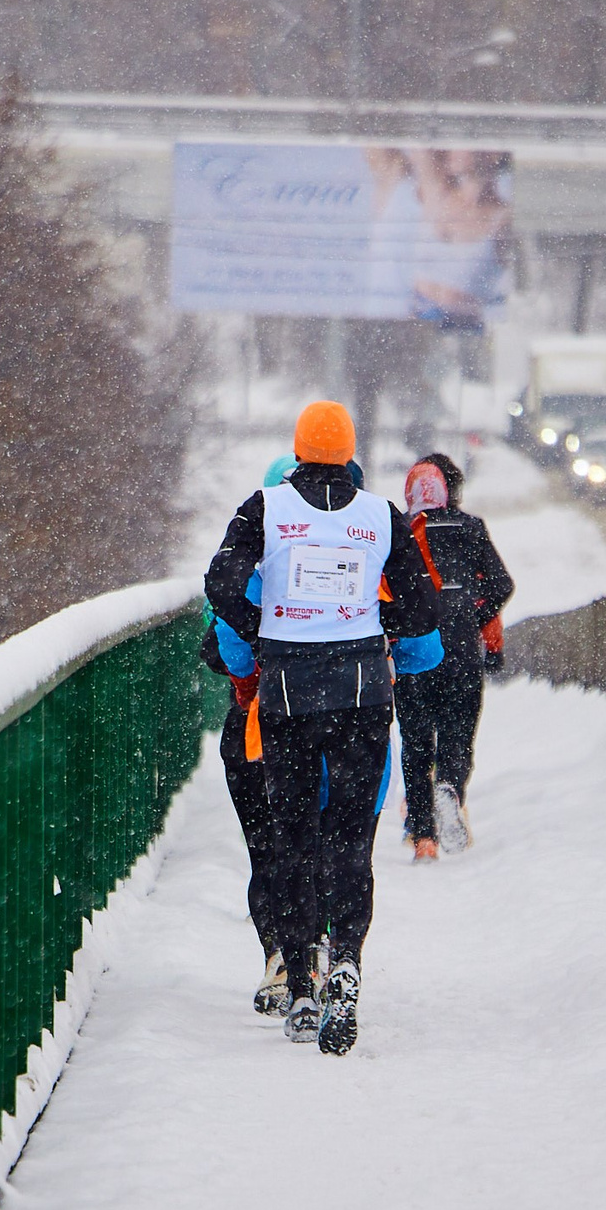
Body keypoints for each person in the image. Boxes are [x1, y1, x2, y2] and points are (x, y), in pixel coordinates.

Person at [205, 402, 442, 1053]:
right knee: (349, 837)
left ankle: (303, 983)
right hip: (362, 692)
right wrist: (375, 629)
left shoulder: (266, 508)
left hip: (286, 692)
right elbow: (422, 606)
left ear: (299, 448)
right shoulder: (380, 517)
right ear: (350, 451)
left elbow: (220, 583)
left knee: (292, 838)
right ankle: (347, 960)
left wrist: (264, 631)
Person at [202, 455, 299, 1017]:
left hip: (255, 727)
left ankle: (279, 957)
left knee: (267, 850)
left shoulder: (248, 570)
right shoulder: (347, 557)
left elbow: (222, 647)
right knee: (324, 842)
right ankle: (322, 947)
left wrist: (247, 680)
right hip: (331, 712)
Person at [394, 453, 515, 860]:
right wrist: (469, 616)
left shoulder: (401, 531)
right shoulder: (471, 528)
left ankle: (425, 838)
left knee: (415, 743)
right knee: (457, 734)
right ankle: (450, 787)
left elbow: (386, 593)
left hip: (415, 651)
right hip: (461, 650)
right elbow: (501, 584)